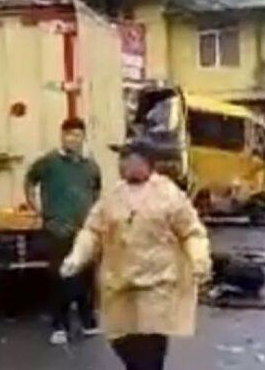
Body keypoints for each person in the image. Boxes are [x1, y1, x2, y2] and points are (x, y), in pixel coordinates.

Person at [59, 139, 211, 370]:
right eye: (122, 159)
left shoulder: (168, 195)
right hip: (120, 286)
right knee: (124, 344)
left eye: (130, 159)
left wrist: (199, 260)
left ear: (147, 163)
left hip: (156, 287)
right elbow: (92, 230)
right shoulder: (113, 196)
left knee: (149, 352)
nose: (124, 164)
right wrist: (77, 257)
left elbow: (191, 232)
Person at [24, 117, 102, 345]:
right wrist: (36, 207)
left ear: (83, 138)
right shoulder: (49, 162)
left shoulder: (90, 166)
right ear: (62, 136)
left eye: (77, 135)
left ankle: (88, 322)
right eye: (68, 135)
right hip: (57, 229)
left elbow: (96, 190)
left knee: (85, 277)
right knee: (61, 278)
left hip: (84, 231)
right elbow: (30, 181)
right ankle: (59, 326)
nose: (72, 139)